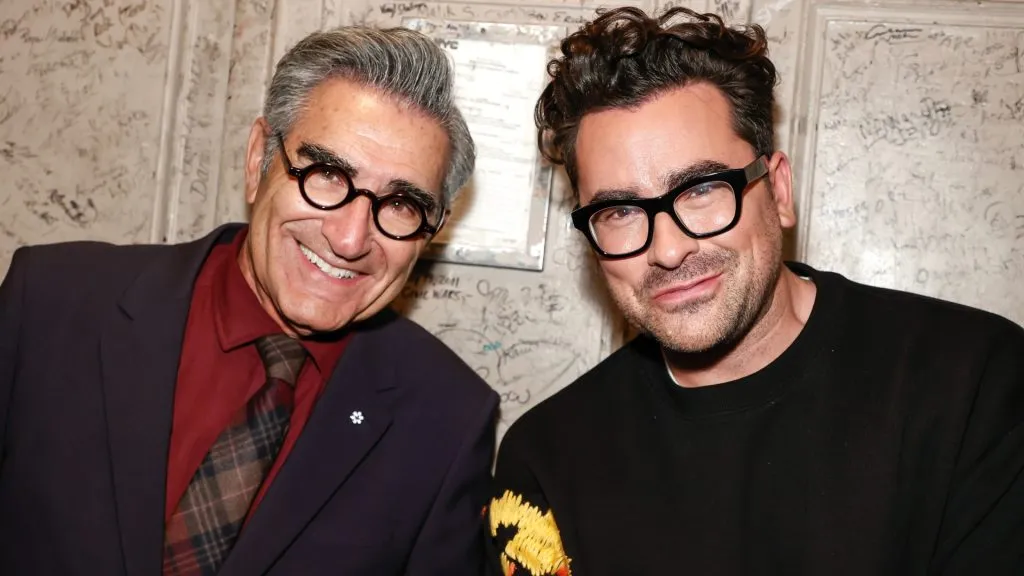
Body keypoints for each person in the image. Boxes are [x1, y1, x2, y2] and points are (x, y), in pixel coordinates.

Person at [486, 6, 1024, 575]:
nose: (668, 250)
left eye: (700, 190)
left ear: (780, 189)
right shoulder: (546, 459)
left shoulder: (975, 384)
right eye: (619, 211)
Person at [0, 25, 499, 576]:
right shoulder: (51, 303)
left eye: (402, 203)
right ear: (259, 157)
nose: (352, 239)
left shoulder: (446, 420)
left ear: (432, 229)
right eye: (328, 174)